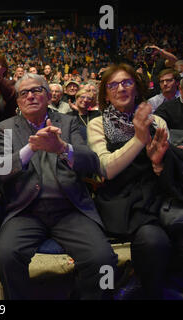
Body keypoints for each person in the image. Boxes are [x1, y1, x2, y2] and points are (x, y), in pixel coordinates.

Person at [0, 73, 118, 300]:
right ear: (18, 102)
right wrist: (31, 148)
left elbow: (91, 162)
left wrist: (62, 147)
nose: (30, 96)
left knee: (104, 260)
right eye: (24, 93)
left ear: (49, 96)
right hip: (25, 211)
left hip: (70, 209)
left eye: (37, 90)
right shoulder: (4, 128)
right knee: (5, 257)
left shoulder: (69, 123)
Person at [87, 63, 183, 299]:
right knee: (154, 241)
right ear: (106, 94)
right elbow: (106, 169)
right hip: (121, 199)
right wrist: (139, 140)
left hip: (156, 193)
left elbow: (163, 170)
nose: (121, 88)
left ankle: (163, 285)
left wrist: (159, 162)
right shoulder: (97, 124)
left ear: (137, 89)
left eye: (127, 82)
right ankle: (147, 288)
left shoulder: (157, 122)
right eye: (113, 85)